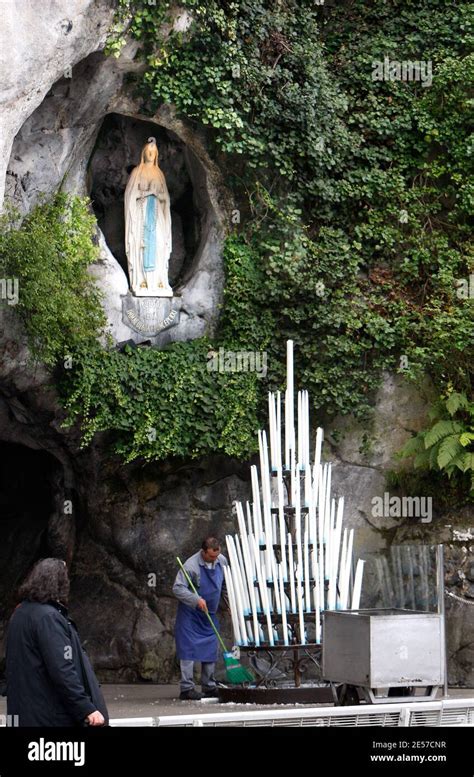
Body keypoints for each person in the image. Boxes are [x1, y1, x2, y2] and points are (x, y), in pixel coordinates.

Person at [5, 558, 109, 727]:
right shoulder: (49, 617)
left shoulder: (20, 612)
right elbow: (61, 669)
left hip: (24, 711)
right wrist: (86, 708)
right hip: (48, 715)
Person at [173, 537, 228, 700]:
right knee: (188, 650)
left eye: (217, 555)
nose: (215, 559)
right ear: (203, 552)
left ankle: (209, 685)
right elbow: (178, 588)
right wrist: (196, 599)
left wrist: (227, 604)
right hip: (190, 615)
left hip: (209, 613)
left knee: (210, 648)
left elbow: (224, 585)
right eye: (211, 556)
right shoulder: (191, 566)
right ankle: (186, 688)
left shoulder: (221, 561)